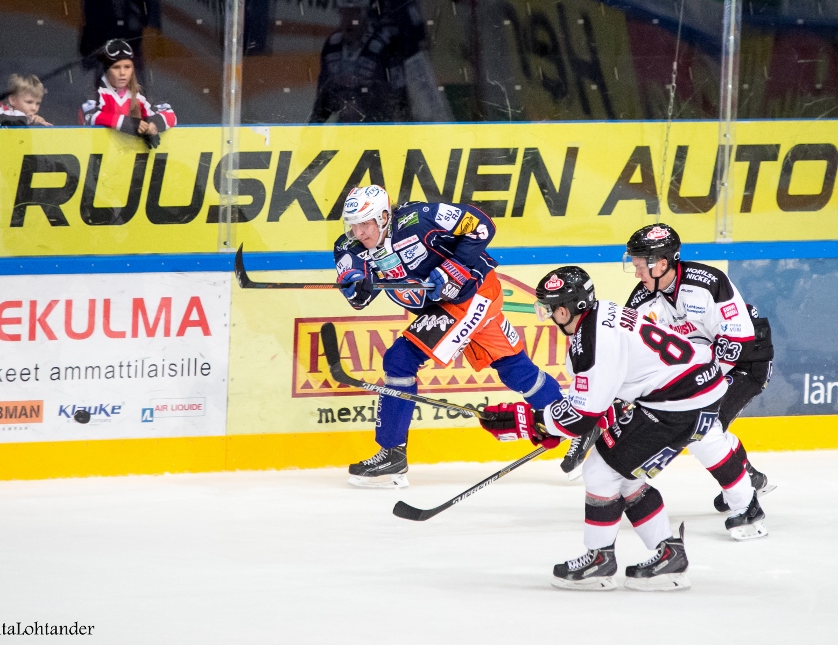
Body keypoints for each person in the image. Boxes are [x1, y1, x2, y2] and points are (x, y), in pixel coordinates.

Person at [479, 266, 767, 591]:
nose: (546, 315)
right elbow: (600, 403)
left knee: (601, 472)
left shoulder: (590, 342)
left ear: (564, 309)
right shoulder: (602, 314)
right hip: (687, 394)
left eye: (547, 308)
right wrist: (548, 426)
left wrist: (525, 421)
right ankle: (666, 554)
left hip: (679, 404)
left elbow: (581, 416)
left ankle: (602, 561)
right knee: (622, 476)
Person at [334, 185, 563, 488]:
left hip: (476, 293)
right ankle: (573, 420)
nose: (359, 232)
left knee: (400, 360)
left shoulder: (420, 218)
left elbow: (482, 225)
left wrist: (453, 267)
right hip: (449, 306)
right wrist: (356, 285)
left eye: (366, 223)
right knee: (514, 370)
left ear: (385, 216)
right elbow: (357, 293)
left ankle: (392, 453)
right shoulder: (347, 247)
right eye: (353, 224)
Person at [622, 224, 775, 516]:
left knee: (704, 424)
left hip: (746, 360)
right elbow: (631, 352)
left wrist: (690, 388)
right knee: (703, 423)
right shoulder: (642, 300)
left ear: (662, 263)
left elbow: (736, 344)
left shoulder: (709, 282)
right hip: (701, 367)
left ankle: (745, 501)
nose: (637, 273)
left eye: (640, 265)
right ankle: (747, 476)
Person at [309, 0, 411, 123]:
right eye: (345, 13)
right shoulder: (332, 46)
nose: (349, 20)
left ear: (365, 16)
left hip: (376, 127)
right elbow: (323, 96)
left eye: (355, 13)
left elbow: (398, 97)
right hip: (345, 128)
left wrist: (364, 100)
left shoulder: (383, 48)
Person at [79, 39, 175, 148]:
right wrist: (129, 124)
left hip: (131, 160)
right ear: (106, 69)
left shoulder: (140, 93)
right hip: (98, 157)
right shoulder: (96, 90)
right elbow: (90, 117)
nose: (123, 73)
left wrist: (153, 125)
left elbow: (169, 113)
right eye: (116, 67)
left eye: (127, 67)